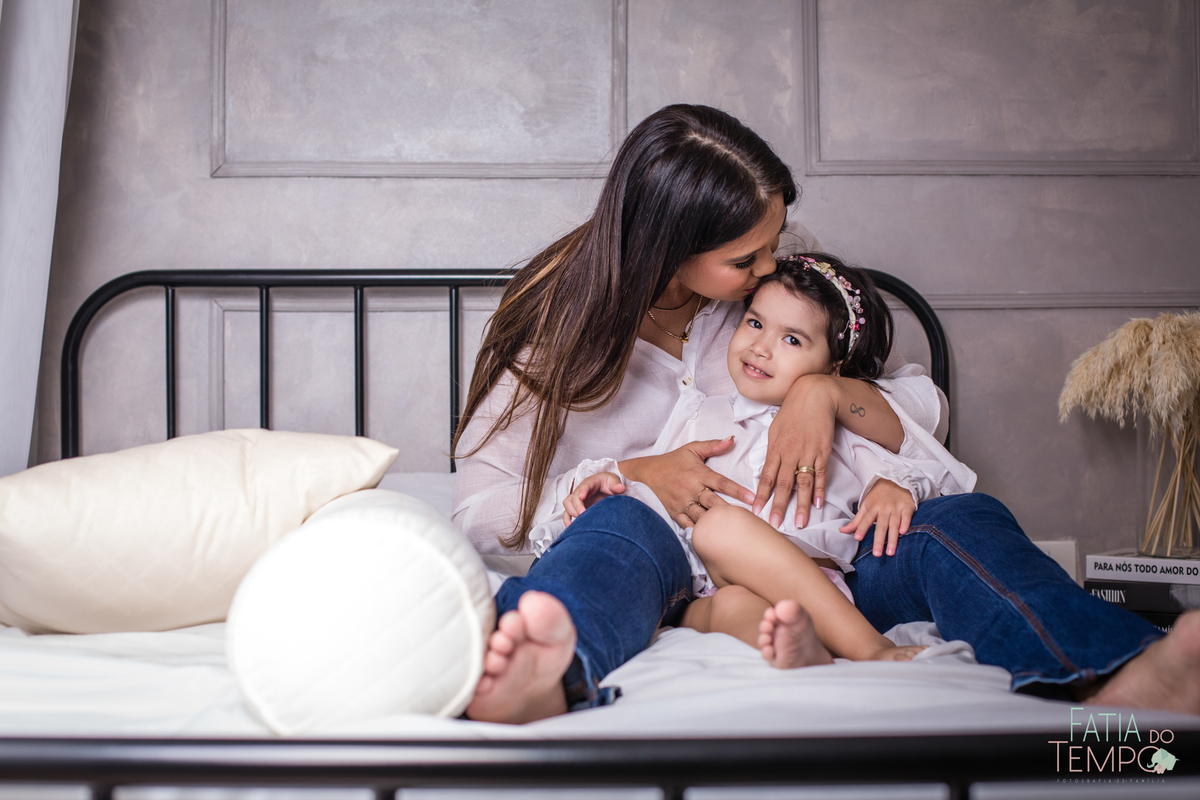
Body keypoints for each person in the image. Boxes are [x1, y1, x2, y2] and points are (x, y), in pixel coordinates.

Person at [452, 103, 1200, 725]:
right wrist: (630, 472)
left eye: (774, 245)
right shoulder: (553, 331)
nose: (770, 268)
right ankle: (548, 682)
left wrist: (823, 393)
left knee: (960, 522)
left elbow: (916, 405)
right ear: (666, 249)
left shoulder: (778, 280)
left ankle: (1111, 676)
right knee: (615, 530)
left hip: (840, 547)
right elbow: (480, 511)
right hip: (680, 562)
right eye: (747, 262)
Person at [559, 254, 975, 667]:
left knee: (719, 526)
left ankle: (869, 647)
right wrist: (611, 481)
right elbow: (661, 486)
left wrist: (895, 486)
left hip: (813, 588)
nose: (760, 348)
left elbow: (931, 471)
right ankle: (796, 650)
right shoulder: (700, 412)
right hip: (709, 587)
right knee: (728, 604)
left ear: (834, 366)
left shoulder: (835, 428)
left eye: (791, 339)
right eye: (755, 323)